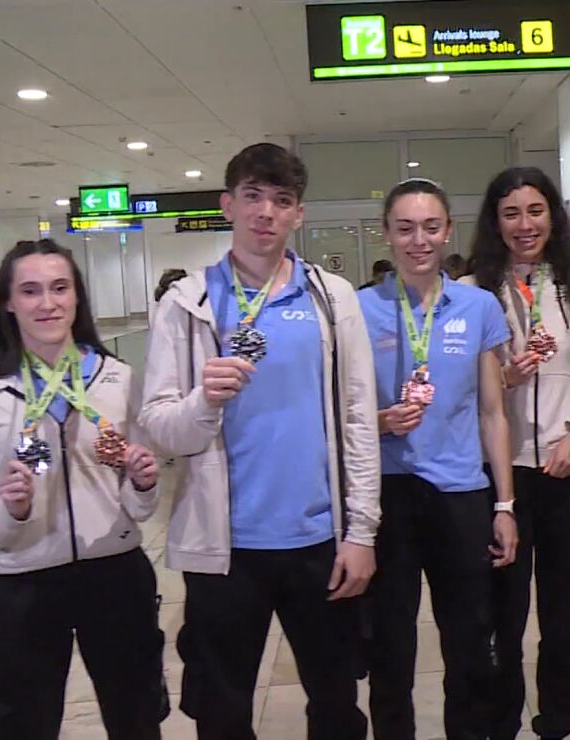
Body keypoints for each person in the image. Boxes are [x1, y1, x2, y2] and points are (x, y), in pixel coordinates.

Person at [139, 143, 381, 740]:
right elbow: (160, 426)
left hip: (318, 542)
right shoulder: (187, 303)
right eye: (252, 196)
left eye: (282, 200)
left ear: (298, 214)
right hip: (224, 550)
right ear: (228, 205)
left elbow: (358, 419)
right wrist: (204, 401)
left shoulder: (333, 297)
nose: (265, 212)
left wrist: (361, 532)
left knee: (335, 702)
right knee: (221, 711)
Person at [0, 238, 164, 738]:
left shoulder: (118, 378)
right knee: (23, 723)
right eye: (30, 290)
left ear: (77, 297)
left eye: (60, 288)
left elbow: (138, 498)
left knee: (135, 717)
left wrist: (143, 482)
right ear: (7, 301)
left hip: (116, 575)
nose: (47, 303)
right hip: (23, 582)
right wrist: (11, 511)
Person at [358, 178, 518, 739]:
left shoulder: (477, 306)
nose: (418, 240)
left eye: (430, 227)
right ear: (387, 234)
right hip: (390, 492)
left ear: (448, 231)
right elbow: (339, 414)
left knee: (470, 640)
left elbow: (493, 413)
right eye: (405, 228)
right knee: (389, 645)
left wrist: (503, 503)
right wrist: (381, 421)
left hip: (460, 493)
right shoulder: (358, 310)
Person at [465, 166, 570, 740]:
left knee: (565, 616)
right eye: (510, 213)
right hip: (501, 478)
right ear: (494, 223)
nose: (524, 225)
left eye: (535, 211)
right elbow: (464, 390)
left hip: (569, 471)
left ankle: (557, 721)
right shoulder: (475, 293)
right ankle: (501, 722)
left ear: (554, 216)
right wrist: (505, 376)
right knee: (502, 615)